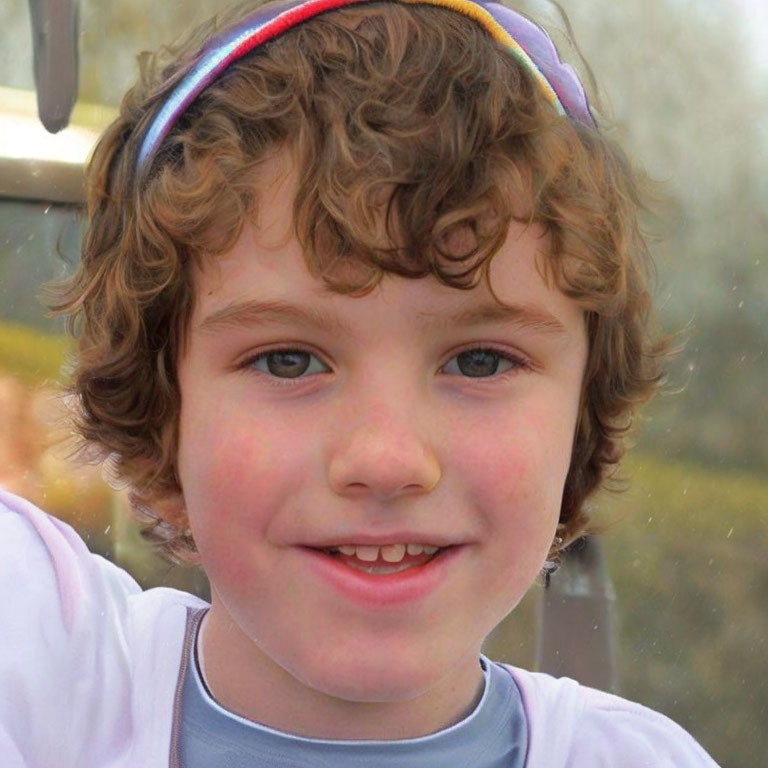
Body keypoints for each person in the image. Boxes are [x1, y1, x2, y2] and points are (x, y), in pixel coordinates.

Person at [0, 0, 721, 765]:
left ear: (580, 419)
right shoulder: (42, 668)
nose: (387, 460)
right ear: (162, 409)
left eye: (479, 361)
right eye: (289, 360)